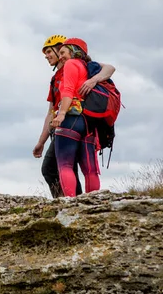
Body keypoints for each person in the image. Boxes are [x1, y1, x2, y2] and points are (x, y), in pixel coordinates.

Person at [33, 35, 115, 197]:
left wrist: (93, 81)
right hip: (84, 123)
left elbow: (110, 68)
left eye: (51, 52)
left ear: (62, 50)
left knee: (58, 167)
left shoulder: (76, 66)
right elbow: (50, 111)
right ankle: (86, 202)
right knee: (83, 168)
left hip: (68, 120)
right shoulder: (56, 78)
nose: (47, 56)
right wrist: (41, 141)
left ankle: (69, 203)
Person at [50, 38, 107, 197]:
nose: (60, 56)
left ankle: (70, 203)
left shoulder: (71, 64)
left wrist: (61, 114)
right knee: (90, 170)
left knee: (65, 165)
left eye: (63, 52)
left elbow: (67, 90)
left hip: (70, 119)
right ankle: (94, 204)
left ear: (73, 50)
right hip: (88, 121)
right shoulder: (88, 68)